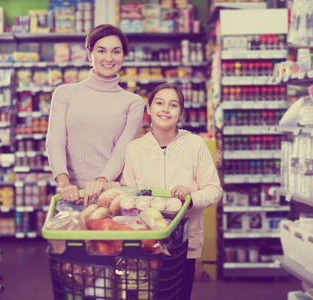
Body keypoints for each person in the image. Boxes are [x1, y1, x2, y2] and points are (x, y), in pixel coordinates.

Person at [121, 83, 223, 300]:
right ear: (148, 109)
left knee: (177, 295)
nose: (165, 109)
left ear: (181, 113)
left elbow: (214, 190)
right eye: (159, 103)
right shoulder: (134, 149)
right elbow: (127, 195)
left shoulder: (195, 145)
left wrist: (191, 197)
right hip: (145, 241)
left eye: (173, 105)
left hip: (183, 242)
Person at [46, 24, 145, 205]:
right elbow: (55, 140)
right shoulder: (64, 94)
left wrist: (101, 181)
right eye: (101, 51)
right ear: (89, 53)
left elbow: (122, 151)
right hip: (71, 194)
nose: (109, 58)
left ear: (124, 56)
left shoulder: (134, 102)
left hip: (112, 195)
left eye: (116, 51)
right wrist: (64, 183)